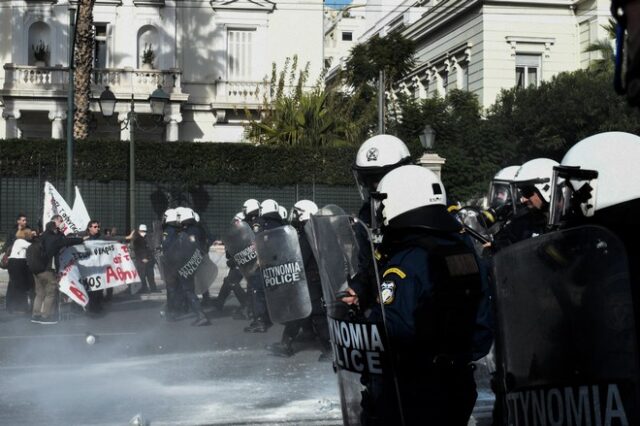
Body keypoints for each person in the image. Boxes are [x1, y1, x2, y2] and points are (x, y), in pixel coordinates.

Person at [363, 165, 486, 425]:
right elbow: (483, 321)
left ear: (400, 200)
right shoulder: (462, 250)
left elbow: (391, 330)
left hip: (414, 389)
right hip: (460, 382)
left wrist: (362, 322)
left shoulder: (407, 260)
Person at [343, 134, 412, 310]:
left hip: (413, 305)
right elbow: (367, 263)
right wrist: (357, 289)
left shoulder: (422, 209)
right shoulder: (367, 214)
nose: (374, 186)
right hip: (379, 308)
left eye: (380, 177)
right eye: (368, 178)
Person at [266, 200, 332, 361]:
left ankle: (331, 350)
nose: (293, 215)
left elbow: (300, 255)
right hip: (309, 279)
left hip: (310, 280)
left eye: (296, 212)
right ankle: (286, 344)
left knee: (316, 314)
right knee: (299, 312)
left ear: (304, 213)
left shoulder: (310, 233)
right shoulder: (313, 230)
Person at [489, 158, 558, 252]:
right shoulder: (524, 222)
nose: (523, 199)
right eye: (522, 193)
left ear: (547, 189)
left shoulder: (567, 223)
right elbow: (506, 240)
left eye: (527, 192)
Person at [31, 215, 84, 324]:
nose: (62, 222)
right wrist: (81, 239)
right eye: (60, 221)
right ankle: (46, 317)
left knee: (40, 293)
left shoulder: (45, 234)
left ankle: (35, 316)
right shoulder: (53, 236)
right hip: (47, 269)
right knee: (51, 292)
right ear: (55, 222)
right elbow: (64, 242)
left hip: (37, 268)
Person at [243, 199, 284, 333]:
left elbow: (259, 242)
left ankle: (260, 321)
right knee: (273, 290)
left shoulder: (263, 224)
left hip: (264, 262)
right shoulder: (280, 223)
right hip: (278, 262)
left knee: (258, 291)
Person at [214, 212, 248, 318]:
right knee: (228, 281)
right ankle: (219, 304)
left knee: (232, 282)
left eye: (236, 222)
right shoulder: (239, 233)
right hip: (238, 263)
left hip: (242, 263)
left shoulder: (244, 234)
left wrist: (234, 261)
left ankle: (247, 307)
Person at [6, 227, 35, 314]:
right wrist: (36, 238)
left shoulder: (19, 241)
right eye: (31, 234)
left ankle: (15, 307)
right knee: (19, 286)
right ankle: (19, 308)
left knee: (15, 285)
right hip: (17, 264)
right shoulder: (20, 241)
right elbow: (32, 246)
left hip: (16, 263)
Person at [127, 224, 158, 294]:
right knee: (142, 275)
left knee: (150, 275)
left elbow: (150, 249)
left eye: (145, 231)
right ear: (139, 231)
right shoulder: (137, 239)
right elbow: (137, 250)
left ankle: (153, 288)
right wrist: (143, 258)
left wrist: (150, 259)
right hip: (141, 260)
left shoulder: (148, 238)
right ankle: (144, 288)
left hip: (149, 259)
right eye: (142, 231)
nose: (144, 232)